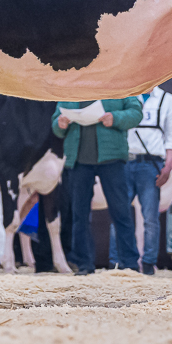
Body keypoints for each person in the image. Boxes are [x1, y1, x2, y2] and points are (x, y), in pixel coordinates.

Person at [52, 97, 142, 275]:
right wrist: (60, 124)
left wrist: (115, 118)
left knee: (121, 212)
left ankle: (130, 264)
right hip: (78, 161)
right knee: (79, 215)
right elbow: (55, 124)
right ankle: (84, 265)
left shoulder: (118, 86)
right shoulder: (70, 89)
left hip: (112, 159)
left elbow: (136, 113)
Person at [108, 84, 172, 274]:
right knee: (119, 213)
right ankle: (116, 262)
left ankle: (148, 262)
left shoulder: (167, 100)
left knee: (150, 217)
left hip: (151, 163)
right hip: (124, 160)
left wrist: (168, 165)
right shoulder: (125, 94)